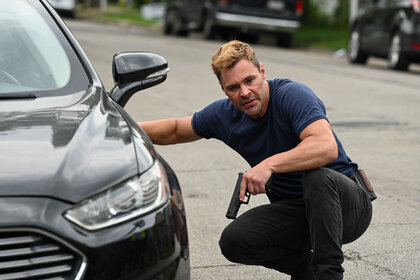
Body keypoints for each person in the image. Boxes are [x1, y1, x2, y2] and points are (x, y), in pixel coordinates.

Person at [139, 40, 373, 280]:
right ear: (223, 89)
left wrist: (269, 165)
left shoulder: (291, 95)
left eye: (249, 80)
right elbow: (176, 129)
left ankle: (328, 275)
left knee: (317, 176)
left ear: (262, 72)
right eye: (233, 87)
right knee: (235, 241)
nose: (244, 92)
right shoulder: (225, 116)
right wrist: (119, 124)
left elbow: (326, 147)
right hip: (300, 212)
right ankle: (307, 272)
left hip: (348, 207)